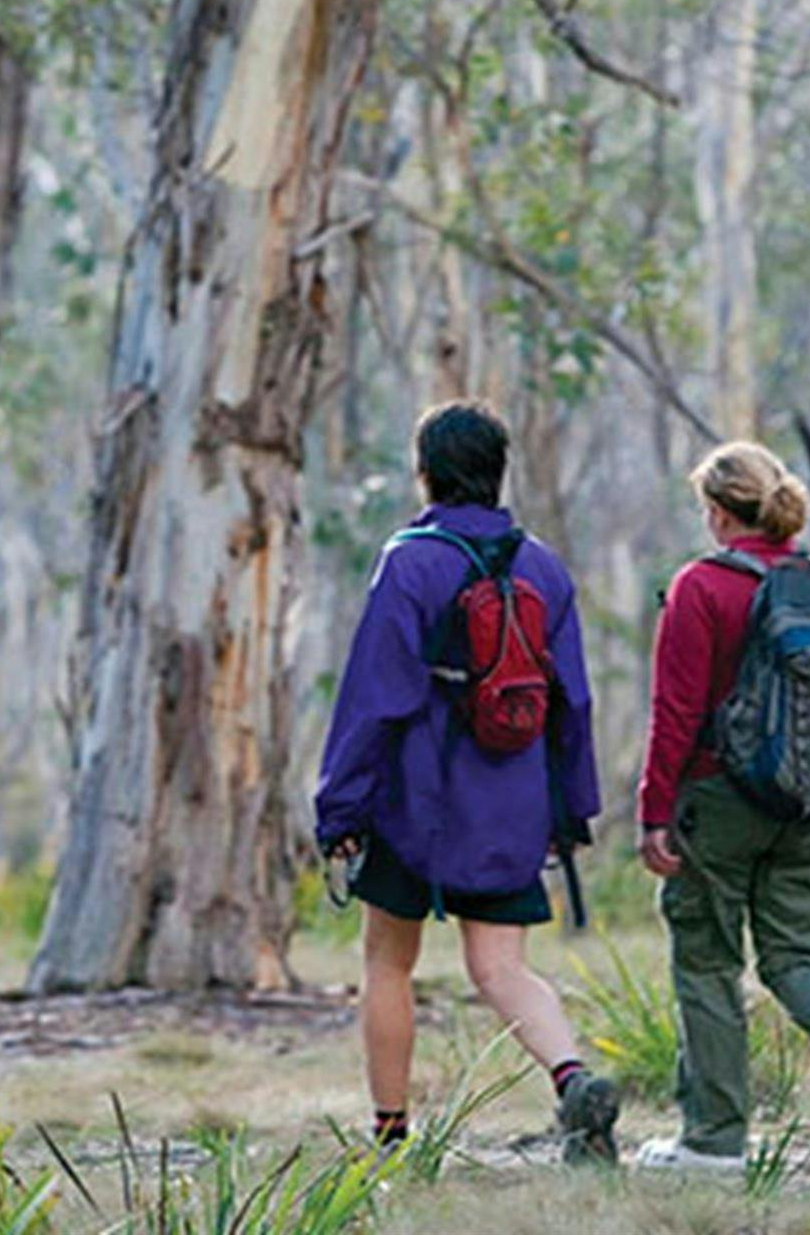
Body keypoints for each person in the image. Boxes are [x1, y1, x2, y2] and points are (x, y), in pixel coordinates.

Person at [314, 400, 619, 1165]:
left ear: (427, 472)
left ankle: (389, 1139)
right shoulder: (542, 566)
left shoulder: (410, 561)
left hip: (413, 804)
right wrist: (570, 807)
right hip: (510, 804)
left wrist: (340, 806)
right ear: (496, 472)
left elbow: (373, 698)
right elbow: (571, 701)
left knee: (388, 961)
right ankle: (572, 1078)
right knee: (501, 969)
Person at [634, 440, 810, 1172]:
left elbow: (677, 711)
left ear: (721, 513)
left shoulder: (701, 587)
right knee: (803, 953)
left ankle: (714, 1140)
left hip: (718, 800)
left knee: (707, 962)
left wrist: (654, 811)